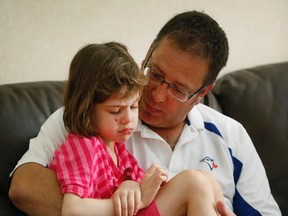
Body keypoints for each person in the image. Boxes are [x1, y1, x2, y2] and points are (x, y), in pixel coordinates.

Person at [9, 11, 281, 216]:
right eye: (157, 74)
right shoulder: (90, 118)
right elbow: (23, 187)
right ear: (148, 54)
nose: (157, 94)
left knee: (205, 181)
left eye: (178, 89)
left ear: (203, 93)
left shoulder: (230, 135)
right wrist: (124, 203)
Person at [48, 41, 224, 216]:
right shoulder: (83, 147)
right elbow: (71, 210)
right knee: (193, 183)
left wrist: (131, 185)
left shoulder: (118, 150)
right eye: (116, 111)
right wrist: (138, 200)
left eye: (133, 106)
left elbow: (140, 187)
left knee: (207, 180)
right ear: (86, 109)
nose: (128, 120)